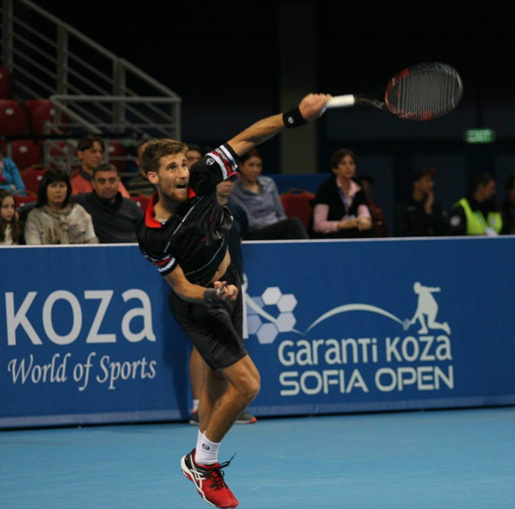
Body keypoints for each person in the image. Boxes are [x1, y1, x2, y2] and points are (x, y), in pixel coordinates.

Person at [136, 93, 330, 509]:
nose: (183, 172)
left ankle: (204, 456)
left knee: (220, 380)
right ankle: (201, 463)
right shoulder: (153, 233)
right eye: (171, 167)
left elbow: (247, 137)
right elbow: (181, 287)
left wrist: (297, 115)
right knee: (249, 384)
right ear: (153, 178)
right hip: (198, 303)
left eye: (183, 163)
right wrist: (212, 293)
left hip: (228, 287)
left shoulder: (203, 176)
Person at [229, 148, 309, 240]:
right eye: (251, 165)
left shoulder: (269, 183)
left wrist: (280, 228)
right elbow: (248, 222)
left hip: (277, 228)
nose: (255, 169)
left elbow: (280, 213)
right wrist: (276, 226)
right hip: (254, 233)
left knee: (288, 236)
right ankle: (311, 251)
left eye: (258, 166)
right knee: (294, 223)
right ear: (241, 166)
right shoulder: (234, 190)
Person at [309, 148, 372, 238]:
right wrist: (343, 225)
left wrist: (365, 220)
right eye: (343, 163)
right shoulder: (326, 189)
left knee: (368, 232)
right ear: (335, 169)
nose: (348, 167)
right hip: (331, 235)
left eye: (351, 163)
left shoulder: (358, 188)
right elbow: (318, 225)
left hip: (352, 232)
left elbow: (363, 211)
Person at [24, 168, 98, 245]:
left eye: (62, 186)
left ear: (68, 189)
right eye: (53, 186)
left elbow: (92, 243)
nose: (58, 191)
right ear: (45, 190)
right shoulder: (35, 217)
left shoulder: (79, 211)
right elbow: (34, 248)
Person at [74, 163, 143, 243]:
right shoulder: (82, 202)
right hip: (99, 254)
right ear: (93, 183)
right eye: (101, 181)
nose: (107, 186)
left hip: (132, 252)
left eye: (112, 181)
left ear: (119, 181)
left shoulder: (132, 207)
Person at [395, 168, 448, 237]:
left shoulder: (434, 205)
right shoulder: (404, 206)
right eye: (427, 181)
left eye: (431, 180)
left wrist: (428, 211)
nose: (432, 184)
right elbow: (403, 233)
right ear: (416, 184)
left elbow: (442, 231)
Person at [449, 171, 502, 236]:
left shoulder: (495, 208)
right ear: (481, 187)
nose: (494, 192)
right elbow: (455, 236)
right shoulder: (462, 208)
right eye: (491, 188)